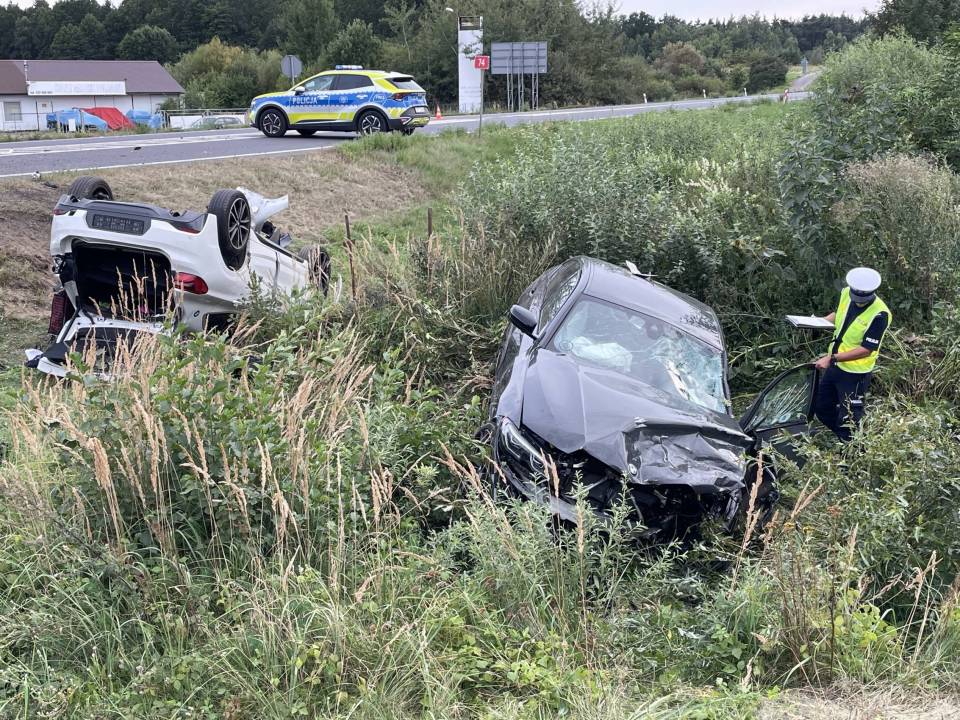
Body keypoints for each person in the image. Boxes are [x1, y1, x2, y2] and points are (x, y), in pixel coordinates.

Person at [812, 267, 891, 441]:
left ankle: (852, 448)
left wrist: (831, 358)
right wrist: (818, 322)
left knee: (849, 418)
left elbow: (866, 350)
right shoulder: (846, 293)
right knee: (821, 407)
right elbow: (839, 313)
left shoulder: (880, 314)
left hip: (855, 374)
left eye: (862, 299)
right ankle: (845, 440)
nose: (858, 301)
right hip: (835, 366)